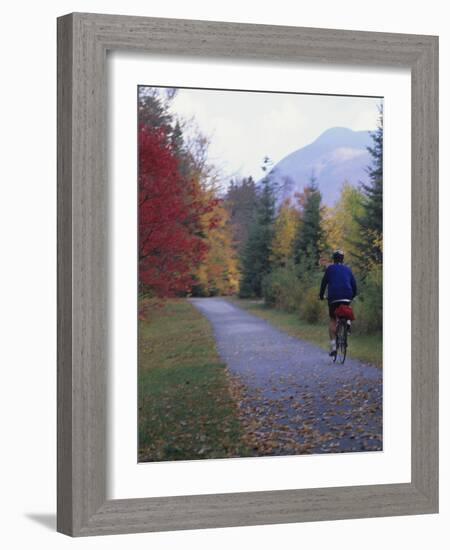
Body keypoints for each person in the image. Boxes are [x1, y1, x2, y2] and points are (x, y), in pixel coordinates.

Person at [319, 250, 357, 357]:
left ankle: (333, 347)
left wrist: (321, 296)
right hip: (347, 295)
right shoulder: (348, 269)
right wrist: (352, 296)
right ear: (343, 259)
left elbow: (323, 284)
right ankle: (348, 322)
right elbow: (354, 285)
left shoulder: (329, 269)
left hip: (333, 296)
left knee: (332, 319)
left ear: (333, 259)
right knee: (347, 306)